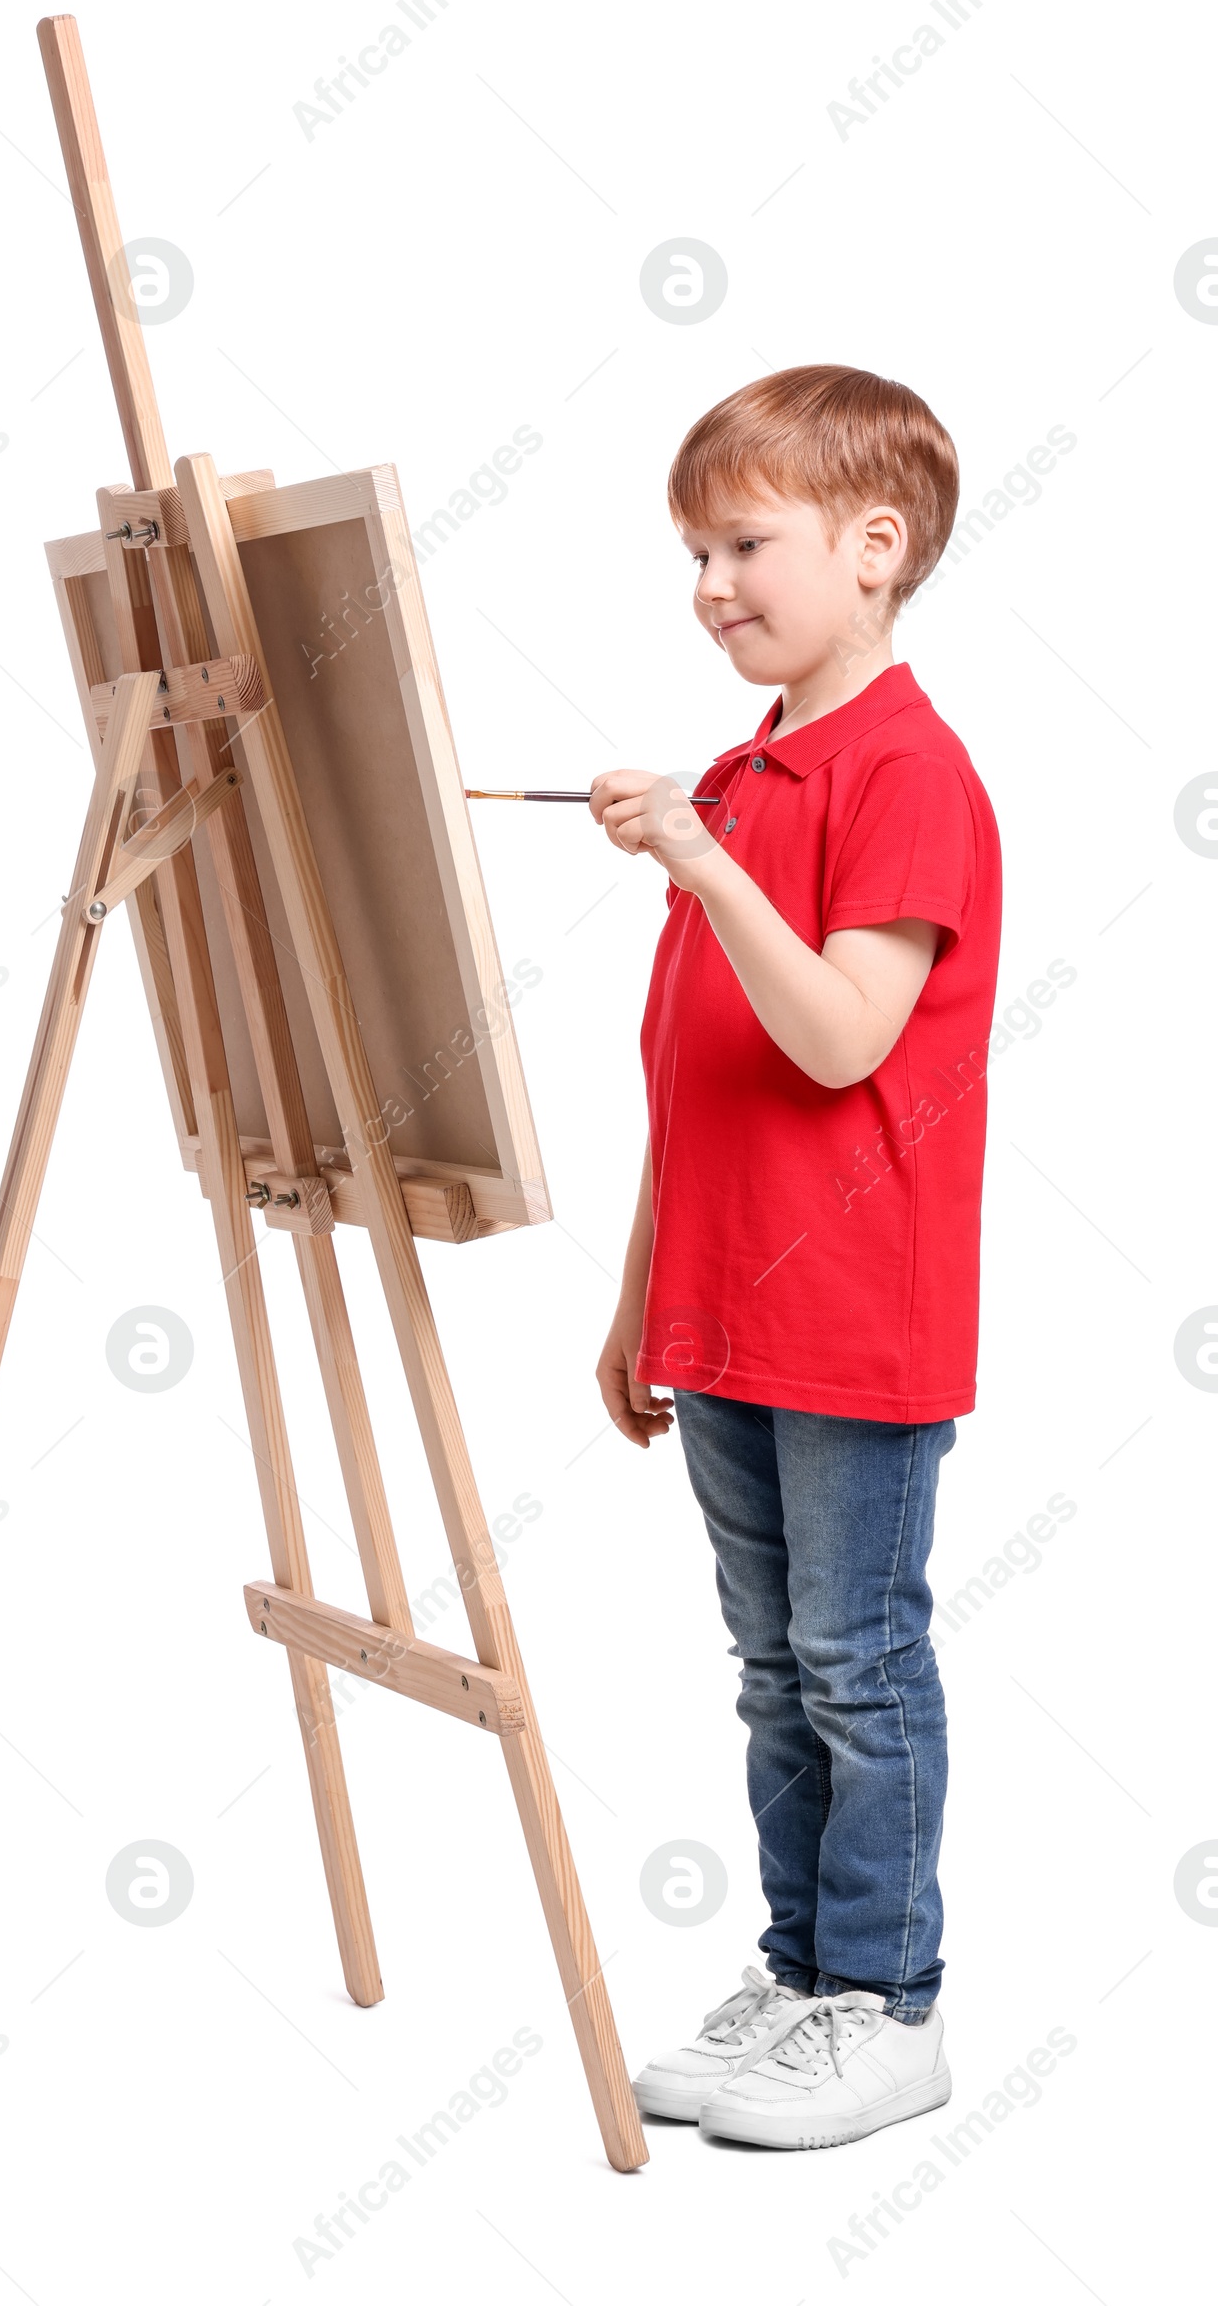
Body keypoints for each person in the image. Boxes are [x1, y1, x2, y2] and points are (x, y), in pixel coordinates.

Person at [591, 364, 1001, 2149]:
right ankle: (802, 1970)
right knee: (771, 1668)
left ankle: (886, 2001)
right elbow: (693, 1077)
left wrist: (701, 859)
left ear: (875, 545)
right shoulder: (746, 775)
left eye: (744, 542)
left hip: (853, 1320)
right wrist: (639, 1295)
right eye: (695, 549)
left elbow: (840, 1036)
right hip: (729, 1312)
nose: (710, 583)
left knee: (856, 1660)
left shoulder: (905, 772)